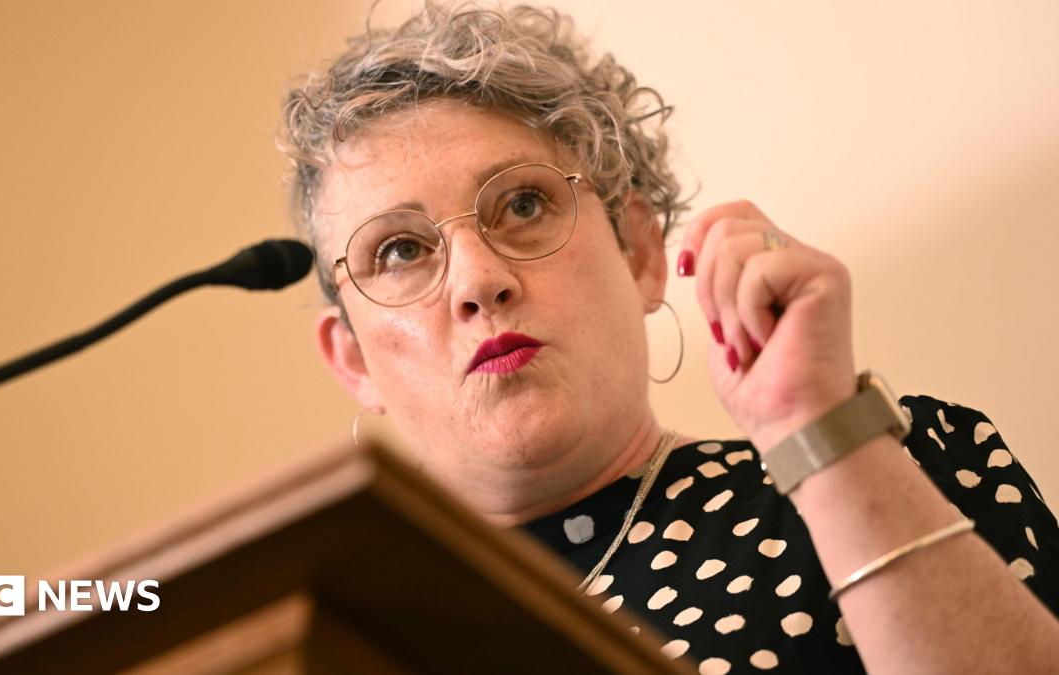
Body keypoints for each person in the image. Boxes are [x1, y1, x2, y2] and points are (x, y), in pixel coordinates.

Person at [277, 2, 1059, 672]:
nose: (479, 280)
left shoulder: (897, 467)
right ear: (353, 360)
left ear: (643, 254)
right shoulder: (332, 638)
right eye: (402, 249)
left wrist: (821, 435)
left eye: (521, 205)